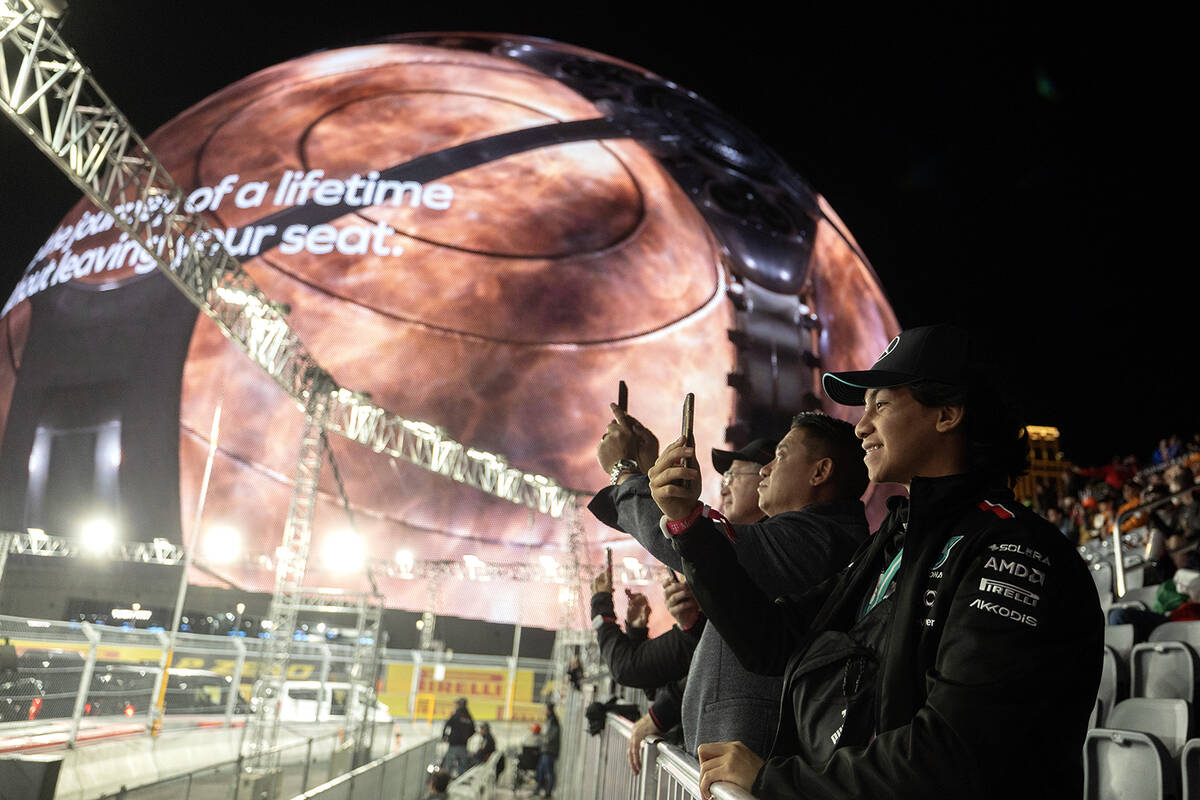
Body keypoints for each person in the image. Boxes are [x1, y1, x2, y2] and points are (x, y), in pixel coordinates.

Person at [655, 324, 1102, 800]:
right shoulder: (897, 540)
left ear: (947, 414)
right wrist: (691, 528)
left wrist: (775, 782)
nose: (862, 425)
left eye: (880, 405)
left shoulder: (1012, 550)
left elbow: (954, 754)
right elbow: (773, 639)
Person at [591, 413, 868, 769]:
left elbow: (698, 544)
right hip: (730, 765)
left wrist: (626, 473)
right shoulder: (814, 535)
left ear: (820, 472)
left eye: (780, 457)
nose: (766, 471)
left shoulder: (820, 538)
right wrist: (647, 478)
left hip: (747, 765)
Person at [590, 568, 702, 690]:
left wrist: (601, 610)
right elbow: (654, 688)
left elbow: (624, 669)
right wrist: (637, 634)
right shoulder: (694, 634)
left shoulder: (698, 632)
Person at [440, 697, 474, 778]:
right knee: (462, 768)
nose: (456, 705)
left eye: (457, 704)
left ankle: (444, 783)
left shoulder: (456, 715)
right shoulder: (468, 716)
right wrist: (466, 737)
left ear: (460, 705)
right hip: (463, 746)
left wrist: (445, 736)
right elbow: (473, 730)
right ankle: (460, 784)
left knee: (448, 766)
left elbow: (447, 724)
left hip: (454, 745)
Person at [535, 701, 560, 797]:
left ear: (549, 710)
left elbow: (553, 735)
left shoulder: (553, 721)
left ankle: (548, 791)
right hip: (546, 750)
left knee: (549, 771)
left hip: (550, 751)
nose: (544, 711)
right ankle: (540, 789)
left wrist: (547, 739)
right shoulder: (550, 719)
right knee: (541, 770)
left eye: (545, 709)